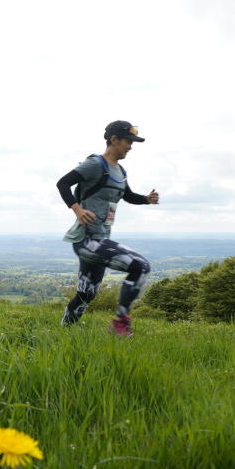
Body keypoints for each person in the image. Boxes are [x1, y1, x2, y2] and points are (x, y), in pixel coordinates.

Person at [56, 120, 160, 336]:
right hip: (87, 240)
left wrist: (146, 199)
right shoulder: (95, 164)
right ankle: (120, 323)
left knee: (87, 294)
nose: (131, 146)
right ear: (114, 140)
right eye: (128, 141)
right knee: (141, 266)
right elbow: (63, 183)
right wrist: (77, 209)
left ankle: (63, 333)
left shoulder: (120, 171)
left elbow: (128, 196)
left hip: (100, 238)